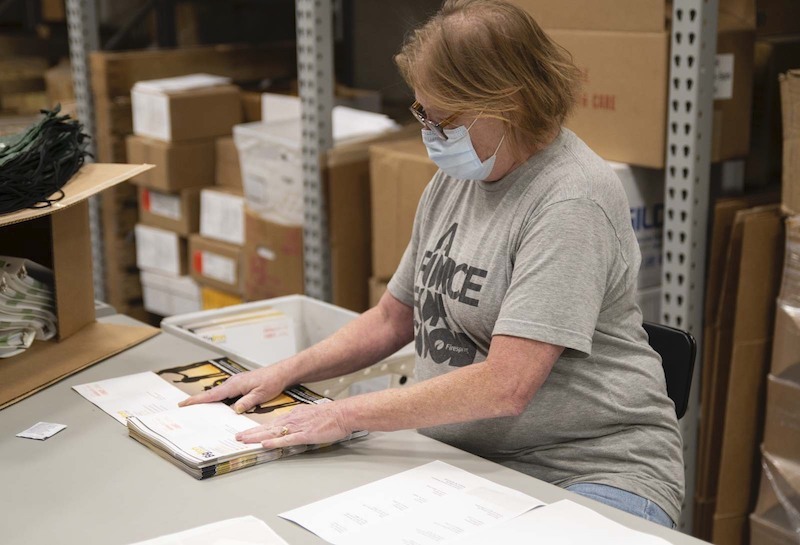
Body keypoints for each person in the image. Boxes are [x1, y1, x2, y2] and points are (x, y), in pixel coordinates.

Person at [180, 0, 684, 528]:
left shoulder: (569, 201)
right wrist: (283, 373)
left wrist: (342, 414)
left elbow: (506, 386)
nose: (431, 134)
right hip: (470, 461)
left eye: (445, 119)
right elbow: (392, 318)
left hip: (588, 470)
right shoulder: (462, 177)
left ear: (508, 102)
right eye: (423, 113)